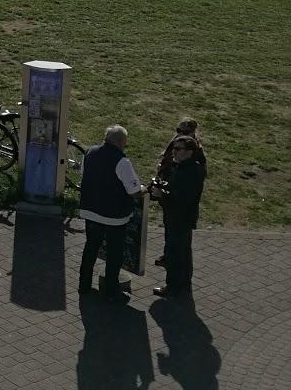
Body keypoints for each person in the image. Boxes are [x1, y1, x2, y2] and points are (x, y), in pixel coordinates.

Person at [78, 124, 147, 303]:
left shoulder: (89, 153)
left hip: (90, 211)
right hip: (114, 217)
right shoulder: (122, 162)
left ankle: (84, 285)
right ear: (120, 141)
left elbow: (84, 175)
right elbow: (133, 191)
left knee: (90, 248)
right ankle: (111, 290)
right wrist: (144, 189)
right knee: (114, 254)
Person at [150, 133, 205, 298]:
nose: (174, 151)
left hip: (180, 218)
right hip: (176, 217)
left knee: (175, 253)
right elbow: (169, 185)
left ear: (189, 152)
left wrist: (162, 195)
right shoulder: (179, 166)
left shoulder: (192, 171)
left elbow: (183, 197)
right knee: (182, 252)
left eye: (178, 149)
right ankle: (183, 285)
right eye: (174, 148)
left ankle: (173, 287)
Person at [154, 118, 206, 268]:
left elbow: (185, 195)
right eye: (178, 130)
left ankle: (176, 270)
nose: (180, 133)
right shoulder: (178, 143)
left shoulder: (194, 155)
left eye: (184, 131)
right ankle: (169, 257)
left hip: (181, 212)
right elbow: (167, 161)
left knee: (179, 245)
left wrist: (164, 193)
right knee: (171, 235)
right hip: (172, 204)